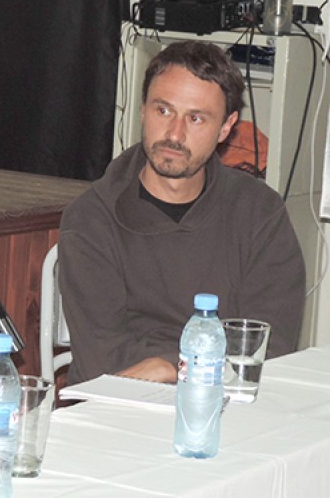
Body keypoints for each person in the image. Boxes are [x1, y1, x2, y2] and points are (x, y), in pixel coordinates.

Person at [58, 41, 305, 385]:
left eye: (196, 118)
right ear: (143, 110)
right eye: (163, 111)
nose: (175, 134)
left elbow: (268, 348)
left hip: (229, 402)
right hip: (122, 404)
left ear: (226, 127)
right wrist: (199, 365)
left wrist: (171, 368)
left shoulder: (259, 212)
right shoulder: (91, 219)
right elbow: (104, 358)